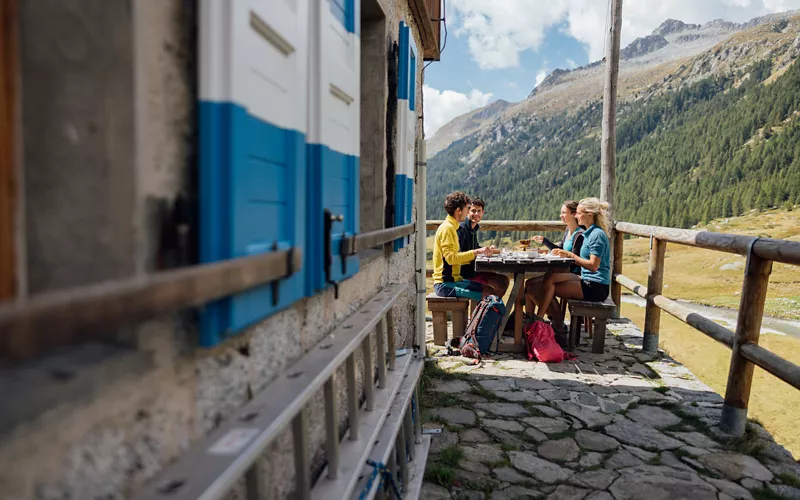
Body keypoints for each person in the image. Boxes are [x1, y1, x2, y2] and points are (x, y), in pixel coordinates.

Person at [533, 197, 612, 332]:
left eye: (578, 213)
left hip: (596, 286)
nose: (576, 215)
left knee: (543, 289)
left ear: (590, 215)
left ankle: (549, 324)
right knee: (549, 278)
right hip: (586, 279)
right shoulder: (589, 232)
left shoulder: (596, 235)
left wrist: (571, 256)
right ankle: (548, 322)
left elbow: (593, 266)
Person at [524, 200, 585, 319]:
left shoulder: (580, 235)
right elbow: (560, 249)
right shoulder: (568, 230)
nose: (560, 215)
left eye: (563, 213)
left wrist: (561, 256)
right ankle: (530, 318)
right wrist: (545, 242)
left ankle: (556, 321)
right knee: (529, 284)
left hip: (572, 274)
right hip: (562, 272)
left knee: (536, 287)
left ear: (573, 214)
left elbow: (575, 260)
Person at [432, 191, 492, 301]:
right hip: (445, 285)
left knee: (488, 290)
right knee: (487, 295)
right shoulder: (448, 229)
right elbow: (451, 259)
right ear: (459, 211)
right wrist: (476, 252)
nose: (468, 212)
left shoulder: (452, 227)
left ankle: (477, 317)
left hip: (454, 281)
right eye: (467, 208)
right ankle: (477, 318)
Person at [457, 198, 510, 297]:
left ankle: (489, 308)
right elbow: (460, 255)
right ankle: (485, 310)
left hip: (474, 270)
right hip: (465, 274)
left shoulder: (473, 229)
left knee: (505, 279)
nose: (476, 214)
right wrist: (479, 251)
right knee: (500, 285)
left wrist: (488, 249)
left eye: (479, 211)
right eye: (473, 211)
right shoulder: (462, 229)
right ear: (468, 211)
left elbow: (476, 248)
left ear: (482, 213)